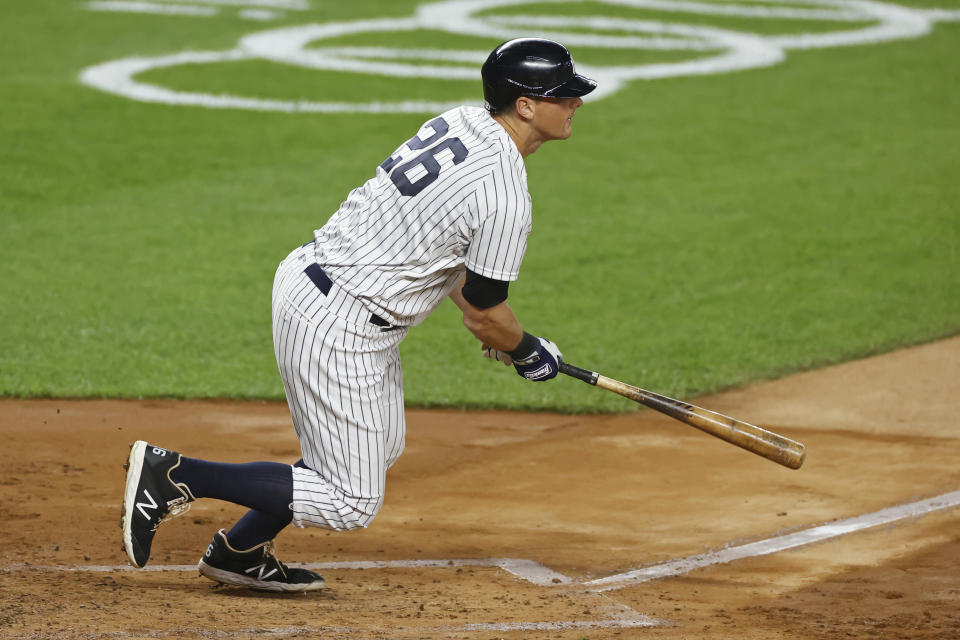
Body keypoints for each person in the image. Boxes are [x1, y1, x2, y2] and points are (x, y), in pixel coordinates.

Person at [121, 37, 596, 592]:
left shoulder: (464, 122)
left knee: (378, 445)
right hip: (340, 324)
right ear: (525, 106)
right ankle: (173, 474)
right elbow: (486, 312)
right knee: (350, 500)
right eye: (564, 95)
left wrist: (514, 340)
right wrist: (522, 348)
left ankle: (240, 551)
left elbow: (447, 262)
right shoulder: (505, 191)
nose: (576, 103)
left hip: (314, 284)